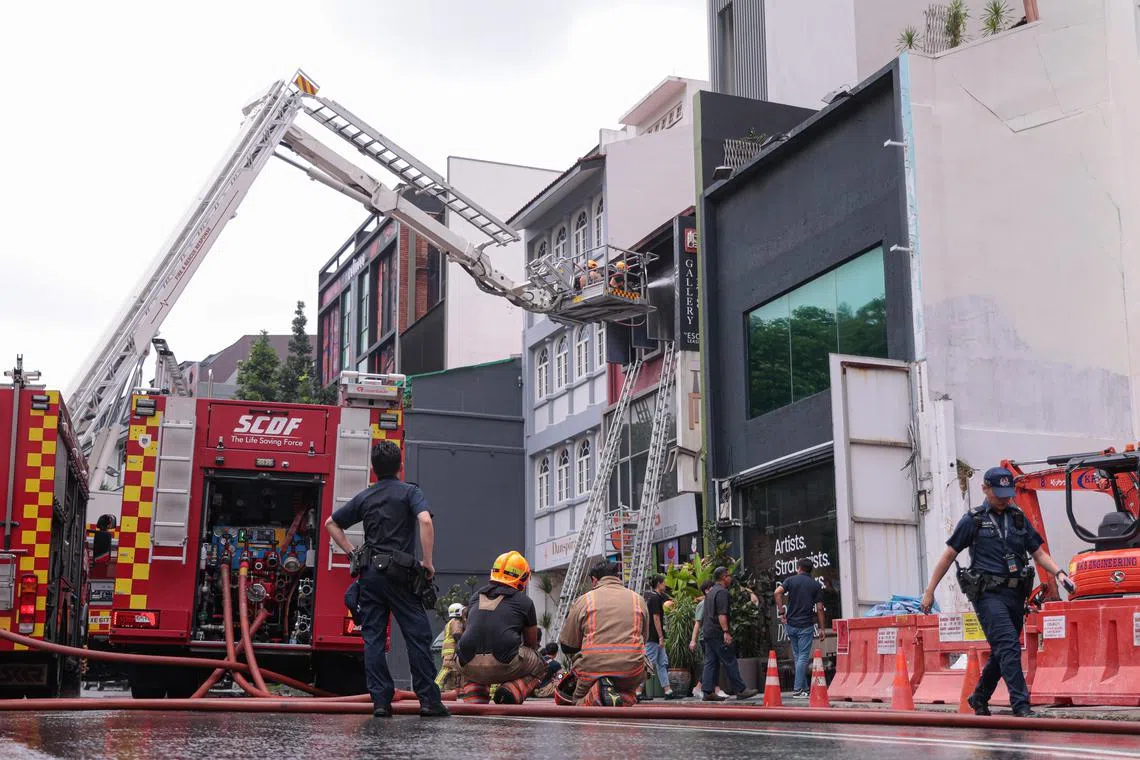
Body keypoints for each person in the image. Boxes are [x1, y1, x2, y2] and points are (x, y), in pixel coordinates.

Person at [920, 466, 1076, 718]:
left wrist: (1059, 573)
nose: (1004, 499)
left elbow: (1038, 553)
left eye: (1008, 494)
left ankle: (979, 696)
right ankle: (1021, 705)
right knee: (1008, 646)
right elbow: (948, 556)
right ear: (985, 489)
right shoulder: (973, 520)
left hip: (1015, 594)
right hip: (987, 594)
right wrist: (930, 592)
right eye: (998, 494)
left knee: (1003, 649)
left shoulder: (1017, 518)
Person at [324, 440, 449, 719]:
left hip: (370, 576)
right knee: (417, 636)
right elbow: (425, 521)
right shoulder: (410, 492)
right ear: (400, 466)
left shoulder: (365, 496)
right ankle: (429, 702)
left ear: (373, 469)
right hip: (401, 576)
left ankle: (380, 702)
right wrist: (428, 562)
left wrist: (353, 553)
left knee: (374, 639)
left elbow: (331, 523)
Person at [456, 551, 553, 705]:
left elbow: (473, 632)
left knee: (468, 652)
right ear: (522, 578)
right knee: (540, 662)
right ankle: (511, 691)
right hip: (504, 663)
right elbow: (531, 643)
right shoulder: (524, 602)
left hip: (466, 663)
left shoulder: (475, 597)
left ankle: (475, 696)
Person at [559, 561, 649, 706]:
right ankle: (625, 696)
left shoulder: (585, 600)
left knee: (577, 702)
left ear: (594, 579)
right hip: (631, 670)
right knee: (637, 675)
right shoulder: (638, 600)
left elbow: (568, 645)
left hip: (592, 670)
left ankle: (598, 693)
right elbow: (644, 639)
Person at [700, 566, 759, 702]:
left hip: (708, 631)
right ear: (723, 577)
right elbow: (722, 614)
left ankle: (707, 691)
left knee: (711, 662)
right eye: (728, 576)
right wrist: (726, 632)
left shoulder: (711, 593)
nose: (730, 578)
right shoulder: (722, 592)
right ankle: (741, 690)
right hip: (717, 631)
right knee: (730, 660)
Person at [774, 558, 826, 699]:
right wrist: (822, 628)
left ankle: (804, 689)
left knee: (798, 657)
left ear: (798, 568)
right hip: (805, 625)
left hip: (791, 624)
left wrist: (781, 612)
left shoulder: (790, 581)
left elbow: (777, 592)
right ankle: (797, 689)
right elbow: (820, 608)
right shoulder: (816, 585)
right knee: (802, 657)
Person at [638, 575, 682, 701]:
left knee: (662, 663)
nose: (665, 585)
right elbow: (656, 618)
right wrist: (661, 636)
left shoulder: (655, 596)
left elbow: (668, 599)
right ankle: (638, 691)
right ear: (658, 584)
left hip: (655, 636)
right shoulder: (655, 598)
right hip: (653, 636)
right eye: (663, 583)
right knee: (649, 664)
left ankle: (668, 690)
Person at [689, 579, 728, 698]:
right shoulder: (703, 604)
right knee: (712, 663)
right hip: (705, 637)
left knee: (712, 662)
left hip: (711, 636)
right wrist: (693, 640)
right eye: (712, 587)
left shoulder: (711, 602)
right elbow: (697, 623)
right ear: (706, 590)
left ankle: (701, 688)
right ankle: (712, 689)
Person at [434, 603, 466, 690]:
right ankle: (436, 686)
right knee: (447, 668)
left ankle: (450, 689)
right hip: (451, 650)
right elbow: (457, 634)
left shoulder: (449, 622)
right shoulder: (456, 621)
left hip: (448, 650)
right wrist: (460, 644)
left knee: (453, 671)